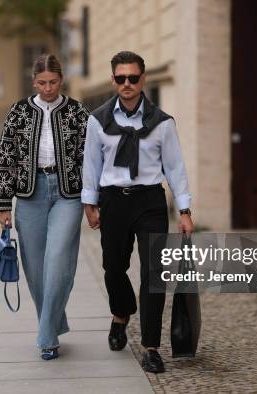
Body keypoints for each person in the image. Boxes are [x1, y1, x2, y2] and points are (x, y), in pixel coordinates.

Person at [81, 51, 193, 373]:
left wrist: (184, 210)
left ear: (143, 80)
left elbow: (175, 168)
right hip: (114, 201)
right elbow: (91, 165)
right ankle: (121, 312)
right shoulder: (98, 121)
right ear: (113, 80)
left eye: (133, 78)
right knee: (113, 269)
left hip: (149, 203)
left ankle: (150, 346)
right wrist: (90, 204)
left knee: (153, 275)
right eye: (120, 78)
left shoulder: (162, 123)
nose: (127, 84)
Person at [0, 54, 90, 360]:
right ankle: (53, 322)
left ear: (62, 80)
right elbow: (6, 155)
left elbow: (91, 156)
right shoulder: (19, 111)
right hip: (30, 194)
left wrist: (92, 198)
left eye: (54, 82)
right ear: (33, 82)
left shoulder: (77, 111)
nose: (48, 88)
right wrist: (3, 202)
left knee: (59, 261)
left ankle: (47, 337)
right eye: (42, 82)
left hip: (68, 194)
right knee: (36, 269)